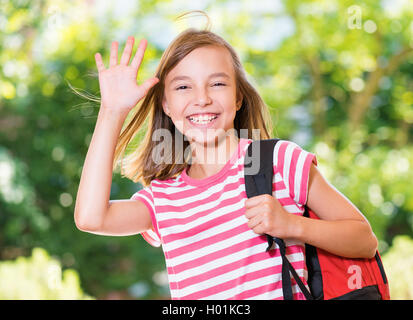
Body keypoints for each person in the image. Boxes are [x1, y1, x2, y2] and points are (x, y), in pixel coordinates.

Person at [74, 21, 378, 300]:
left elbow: (364, 239)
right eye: (183, 87)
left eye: (217, 83)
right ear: (166, 105)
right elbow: (91, 218)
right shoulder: (163, 198)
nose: (202, 98)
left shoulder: (279, 161)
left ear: (238, 97)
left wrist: (292, 225)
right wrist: (112, 111)